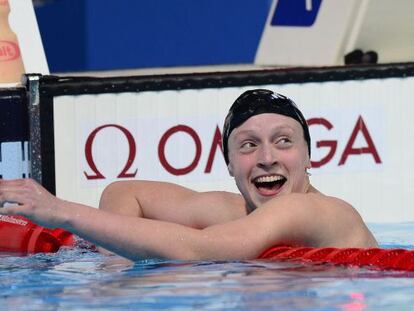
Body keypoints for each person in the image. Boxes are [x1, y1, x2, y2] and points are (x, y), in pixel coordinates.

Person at [0, 89, 378, 260]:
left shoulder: (311, 210)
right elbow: (123, 192)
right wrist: (115, 263)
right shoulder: (235, 212)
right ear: (228, 163)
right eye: (248, 145)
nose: (266, 158)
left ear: (309, 155)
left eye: (283, 141)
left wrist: (60, 211)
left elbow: (195, 249)